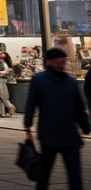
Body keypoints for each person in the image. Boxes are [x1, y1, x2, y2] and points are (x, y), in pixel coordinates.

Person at [26, 47, 89, 189]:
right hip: (50, 136)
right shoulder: (39, 80)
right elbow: (31, 104)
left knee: (74, 175)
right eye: (60, 62)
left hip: (68, 135)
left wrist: (85, 126)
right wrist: (27, 127)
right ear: (50, 62)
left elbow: (78, 106)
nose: (62, 65)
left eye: (63, 62)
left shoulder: (71, 82)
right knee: (45, 174)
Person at [0, 50, 18, 118]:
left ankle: (11, 108)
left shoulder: (6, 63)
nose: (0, 55)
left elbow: (7, 72)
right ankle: (0, 112)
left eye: (1, 54)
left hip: (3, 80)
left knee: (4, 96)